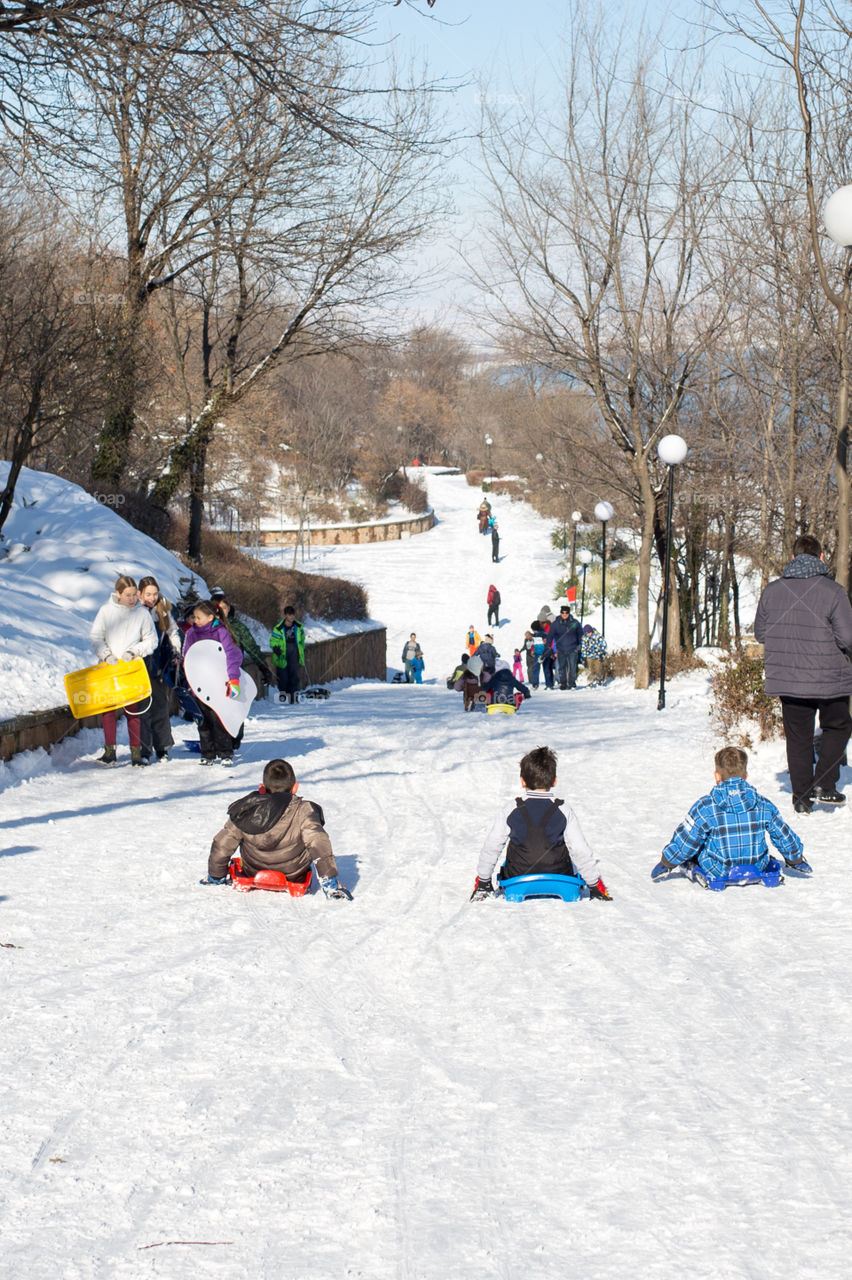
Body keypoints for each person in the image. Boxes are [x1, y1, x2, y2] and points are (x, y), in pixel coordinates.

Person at [754, 533, 852, 812]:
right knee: (839, 726)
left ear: (794, 558)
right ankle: (824, 781)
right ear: (821, 557)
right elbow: (848, 638)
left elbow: (761, 633)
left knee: (798, 737)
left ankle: (801, 799)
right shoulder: (834, 592)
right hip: (831, 679)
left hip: (788, 680)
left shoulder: (771, 591)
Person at [650, 746, 812, 882]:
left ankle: (692, 866)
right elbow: (782, 834)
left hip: (717, 867)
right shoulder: (762, 803)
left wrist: (667, 862)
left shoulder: (706, 806)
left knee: (697, 847)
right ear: (746, 776)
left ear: (717, 776)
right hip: (756, 865)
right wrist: (795, 859)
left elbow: (687, 840)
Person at [471, 746, 611, 900]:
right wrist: (593, 883)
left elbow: (492, 846)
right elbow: (579, 849)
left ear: (523, 781)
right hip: (561, 876)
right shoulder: (563, 809)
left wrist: (484, 880)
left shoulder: (512, 809)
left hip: (517, 878)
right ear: (554, 780)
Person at [200, 757, 350, 898]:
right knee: (310, 839)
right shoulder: (303, 810)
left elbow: (222, 843)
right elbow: (318, 841)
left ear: (262, 787)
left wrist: (216, 876)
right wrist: (330, 882)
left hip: (252, 870)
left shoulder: (246, 809)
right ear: (295, 787)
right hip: (293, 873)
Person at [90, 575, 157, 766]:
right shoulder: (105, 611)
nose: (131, 599)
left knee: (133, 711)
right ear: (117, 593)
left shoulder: (142, 614)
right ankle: (110, 751)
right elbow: (96, 636)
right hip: (109, 667)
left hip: (131, 668)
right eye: (127, 595)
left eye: (133, 595)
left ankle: (136, 752)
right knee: (109, 710)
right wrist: (105, 654)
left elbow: (151, 639)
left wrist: (134, 652)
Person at [183, 599, 243, 765]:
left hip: (218, 682)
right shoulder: (191, 634)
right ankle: (207, 753)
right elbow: (187, 658)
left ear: (210, 617)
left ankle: (225, 752)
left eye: (199, 617)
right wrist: (190, 681)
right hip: (200, 684)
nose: (195, 620)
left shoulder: (220, 632)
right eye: (194, 617)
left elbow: (231, 656)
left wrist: (233, 679)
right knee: (203, 721)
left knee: (217, 719)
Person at [137, 576, 182, 762]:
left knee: (160, 708)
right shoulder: (133, 612)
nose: (152, 598)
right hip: (138, 667)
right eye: (148, 594)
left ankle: (162, 747)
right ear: (140, 594)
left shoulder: (162, 610)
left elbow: (173, 631)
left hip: (157, 666)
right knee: (142, 710)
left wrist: (176, 649)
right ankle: (144, 750)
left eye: (155, 594)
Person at [216, 595, 274, 696]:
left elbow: (251, 648)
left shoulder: (238, 628)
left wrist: (264, 667)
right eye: (218, 608)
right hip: (212, 672)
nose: (221, 611)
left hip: (233, 676)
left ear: (229, 608)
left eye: (224, 608)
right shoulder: (205, 627)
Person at [270, 606, 306, 704]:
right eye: (290, 615)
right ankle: (284, 695)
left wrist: (301, 648)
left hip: (294, 652)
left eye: (293, 615)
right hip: (282, 653)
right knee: (283, 674)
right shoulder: (279, 628)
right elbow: (273, 641)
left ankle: (294, 695)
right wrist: (276, 648)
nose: (292, 617)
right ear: (286, 615)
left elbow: (302, 638)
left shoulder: (298, 627)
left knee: (294, 674)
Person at [548, 605, 583, 690]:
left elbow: (581, 634)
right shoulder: (555, 624)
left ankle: (572, 683)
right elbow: (550, 636)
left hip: (572, 648)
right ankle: (563, 684)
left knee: (572, 667)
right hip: (561, 649)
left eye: (566, 613)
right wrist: (549, 648)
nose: (564, 614)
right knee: (561, 667)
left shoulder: (575, 623)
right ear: (560, 613)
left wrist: (579, 645)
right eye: (562, 613)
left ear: (569, 613)